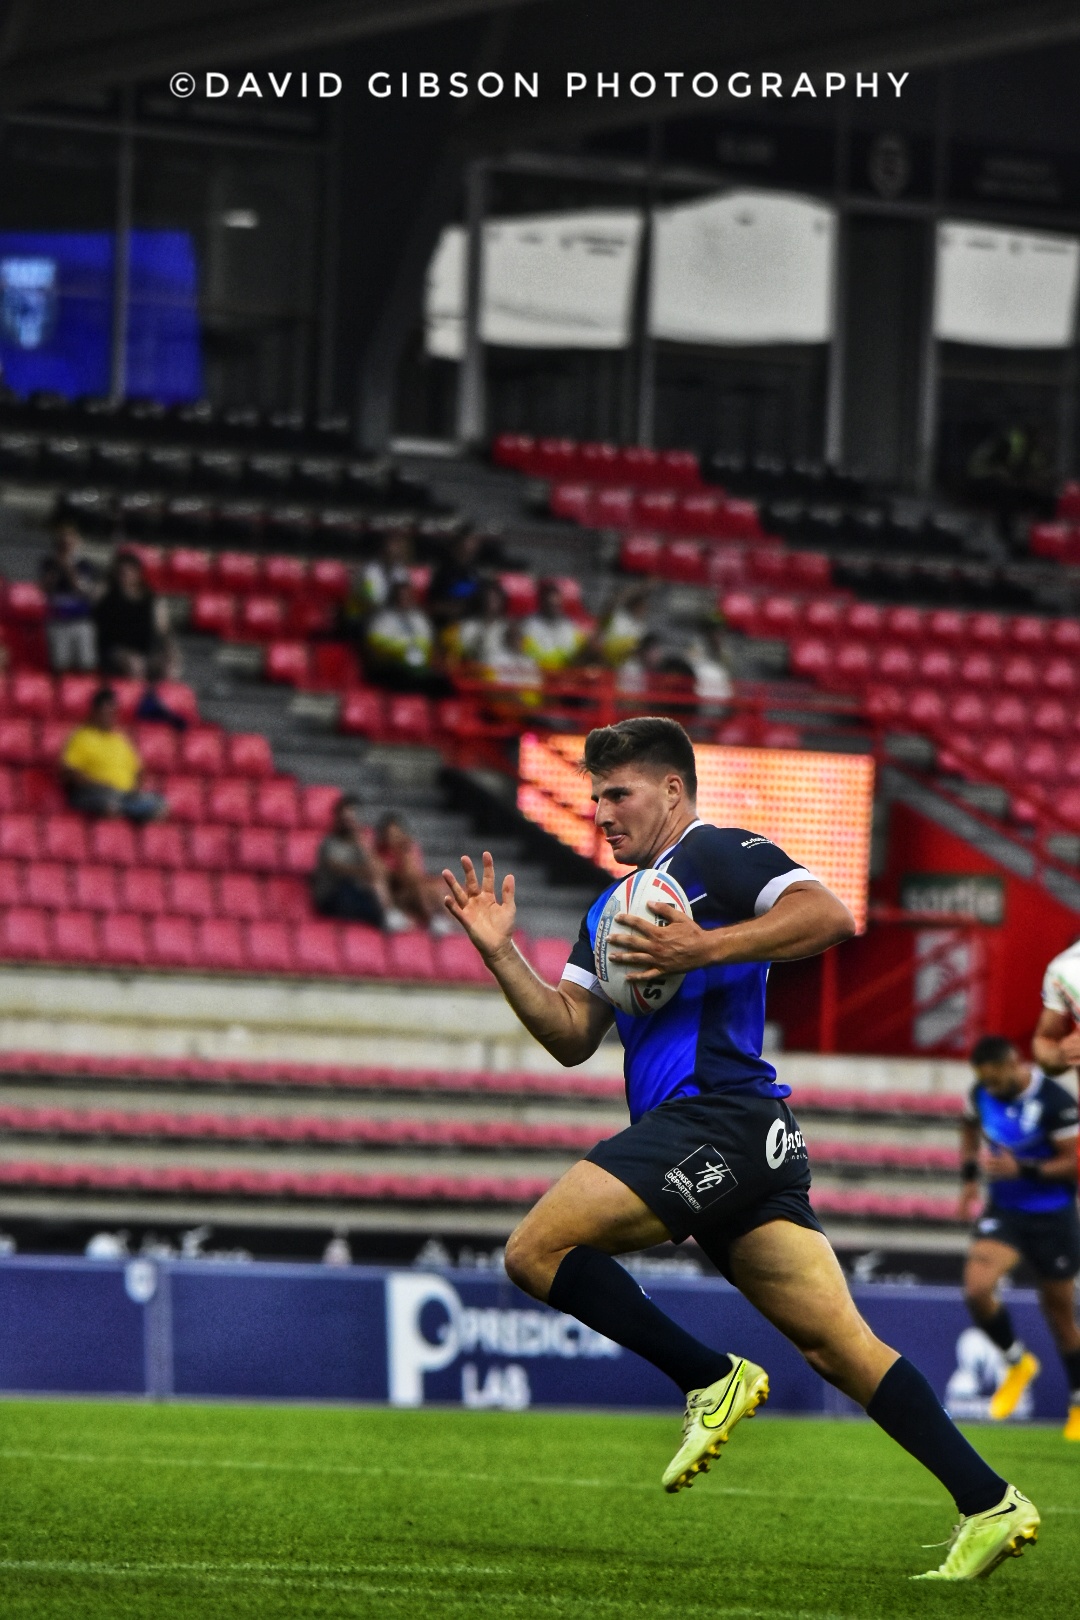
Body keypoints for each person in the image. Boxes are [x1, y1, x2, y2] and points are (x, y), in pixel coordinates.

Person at [441, 716, 1039, 1582]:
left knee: (536, 1250)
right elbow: (571, 1034)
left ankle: (709, 1378)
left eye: (618, 794)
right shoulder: (610, 909)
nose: (601, 812)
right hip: (737, 1137)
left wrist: (703, 947)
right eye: (595, 796)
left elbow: (828, 915)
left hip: (714, 1118)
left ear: (671, 791)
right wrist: (501, 956)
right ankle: (989, 1502)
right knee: (840, 1348)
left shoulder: (716, 853)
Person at [958, 1035, 1080, 1441]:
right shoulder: (980, 1092)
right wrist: (970, 1180)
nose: (991, 1089)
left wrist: (1022, 1169)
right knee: (977, 1288)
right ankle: (1017, 1362)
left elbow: (1073, 1163)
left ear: (1014, 1063)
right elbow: (969, 1127)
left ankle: (1078, 1402)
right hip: (1006, 1211)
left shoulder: (1056, 1101)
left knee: (1060, 1314)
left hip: (1053, 1216)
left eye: (997, 1080)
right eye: (986, 1082)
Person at [61, 687, 166, 822]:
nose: (111, 716)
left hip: (125, 795)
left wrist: (136, 789)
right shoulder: (81, 737)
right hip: (93, 793)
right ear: (95, 712)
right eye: (106, 711)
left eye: (114, 712)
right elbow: (69, 772)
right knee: (111, 806)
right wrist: (97, 784)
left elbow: (138, 771)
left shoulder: (121, 740)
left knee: (159, 806)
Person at [311, 794, 410, 930]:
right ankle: (385, 917)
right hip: (333, 895)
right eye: (345, 819)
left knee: (381, 887)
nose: (348, 823)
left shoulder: (360, 843)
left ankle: (389, 915)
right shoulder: (329, 843)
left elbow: (379, 870)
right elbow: (336, 867)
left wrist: (363, 846)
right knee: (358, 892)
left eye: (351, 818)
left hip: (356, 891)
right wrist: (363, 872)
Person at [95, 549, 178, 681]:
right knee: (135, 664)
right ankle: (139, 693)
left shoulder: (151, 599)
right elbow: (92, 598)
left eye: (129, 571)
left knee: (168, 667)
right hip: (115, 650)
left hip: (145, 650)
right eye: (122, 572)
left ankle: (162, 694)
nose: (126, 575)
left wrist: (171, 652)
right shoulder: (108, 593)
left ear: (138, 574)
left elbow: (163, 630)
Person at [374, 813, 454, 935]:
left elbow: (414, 875)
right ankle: (430, 918)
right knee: (420, 887)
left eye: (396, 834)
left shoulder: (409, 849)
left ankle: (442, 921)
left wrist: (403, 854)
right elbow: (392, 878)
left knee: (436, 890)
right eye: (390, 834)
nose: (394, 837)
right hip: (396, 892)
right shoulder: (379, 853)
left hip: (413, 890)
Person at [40, 522, 98, 672]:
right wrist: (57, 568)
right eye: (63, 543)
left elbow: (83, 589)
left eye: (70, 542)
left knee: (85, 663)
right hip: (58, 620)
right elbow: (44, 588)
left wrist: (69, 568)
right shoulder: (49, 563)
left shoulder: (85, 565)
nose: (66, 546)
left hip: (80, 620)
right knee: (60, 663)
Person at [365, 579, 442, 691]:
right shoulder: (382, 619)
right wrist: (403, 648)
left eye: (407, 596)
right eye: (401, 596)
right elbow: (374, 649)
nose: (404, 600)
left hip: (419, 668)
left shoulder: (420, 619)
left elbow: (430, 645)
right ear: (394, 598)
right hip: (391, 669)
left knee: (440, 682)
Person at [520, 580, 586, 672]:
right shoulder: (527, 627)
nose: (554, 607)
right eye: (550, 604)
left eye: (557, 605)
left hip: (566, 676)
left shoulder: (571, 627)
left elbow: (582, 654)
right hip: (537, 675)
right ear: (542, 603)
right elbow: (525, 657)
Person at [427, 531, 486, 630]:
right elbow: (433, 605)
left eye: (474, 543)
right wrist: (453, 608)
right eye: (467, 543)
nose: (470, 548)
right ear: (458, 545)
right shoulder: (444, 571)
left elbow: (479, 599)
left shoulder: (474, 572)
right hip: (446, 626)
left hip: (471, 625)